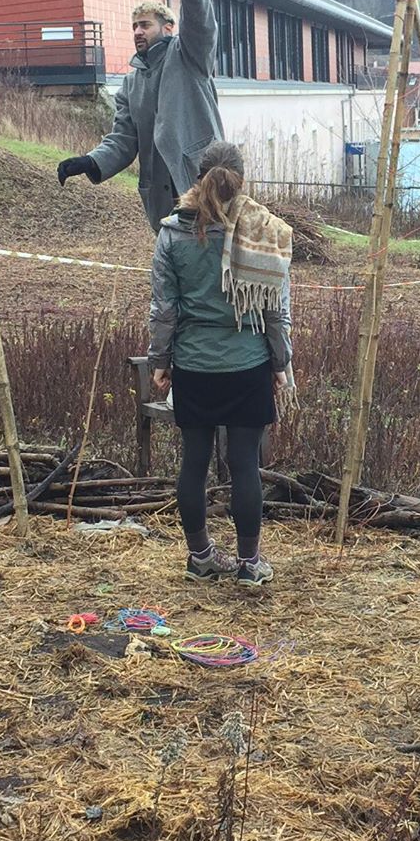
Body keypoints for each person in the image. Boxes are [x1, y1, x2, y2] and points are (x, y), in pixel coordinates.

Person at [147, 140, 293, 588]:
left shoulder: (172, 233)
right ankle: (250, 565)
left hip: (193, 367)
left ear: (196, 179)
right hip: (247, 366)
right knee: (245, 464)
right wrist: (280, 362)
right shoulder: (263, 231)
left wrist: (160, 360)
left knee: (193, 462)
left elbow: (164, 309)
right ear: (242, 181)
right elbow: (275, 310)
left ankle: (201, 558)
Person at [58, 0, 224, 231]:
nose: (137, 32)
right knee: (173, 268)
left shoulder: (190, 56)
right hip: (162, 195)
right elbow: (124, 139)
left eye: (145, 25)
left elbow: (200, 21)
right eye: (134, 26)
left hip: (202, 182)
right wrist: (90, 161)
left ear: (168, 27)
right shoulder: (130, 85)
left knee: (210, 264)